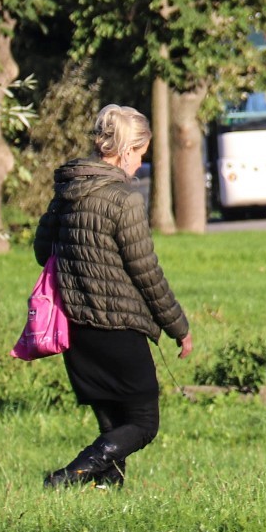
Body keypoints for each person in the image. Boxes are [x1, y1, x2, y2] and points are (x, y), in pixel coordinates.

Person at [33, 104, 192, 488]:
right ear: (125, 150)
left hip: (76, 326)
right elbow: (146, 271)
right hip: (118, 326)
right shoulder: (124, 199)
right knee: (142, 423)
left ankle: (105, 492)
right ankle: (69, 476)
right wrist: (178, 327)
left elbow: (42, 250)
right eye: (139, 155)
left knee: (112, 424)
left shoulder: (67, 191)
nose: (139, 165)